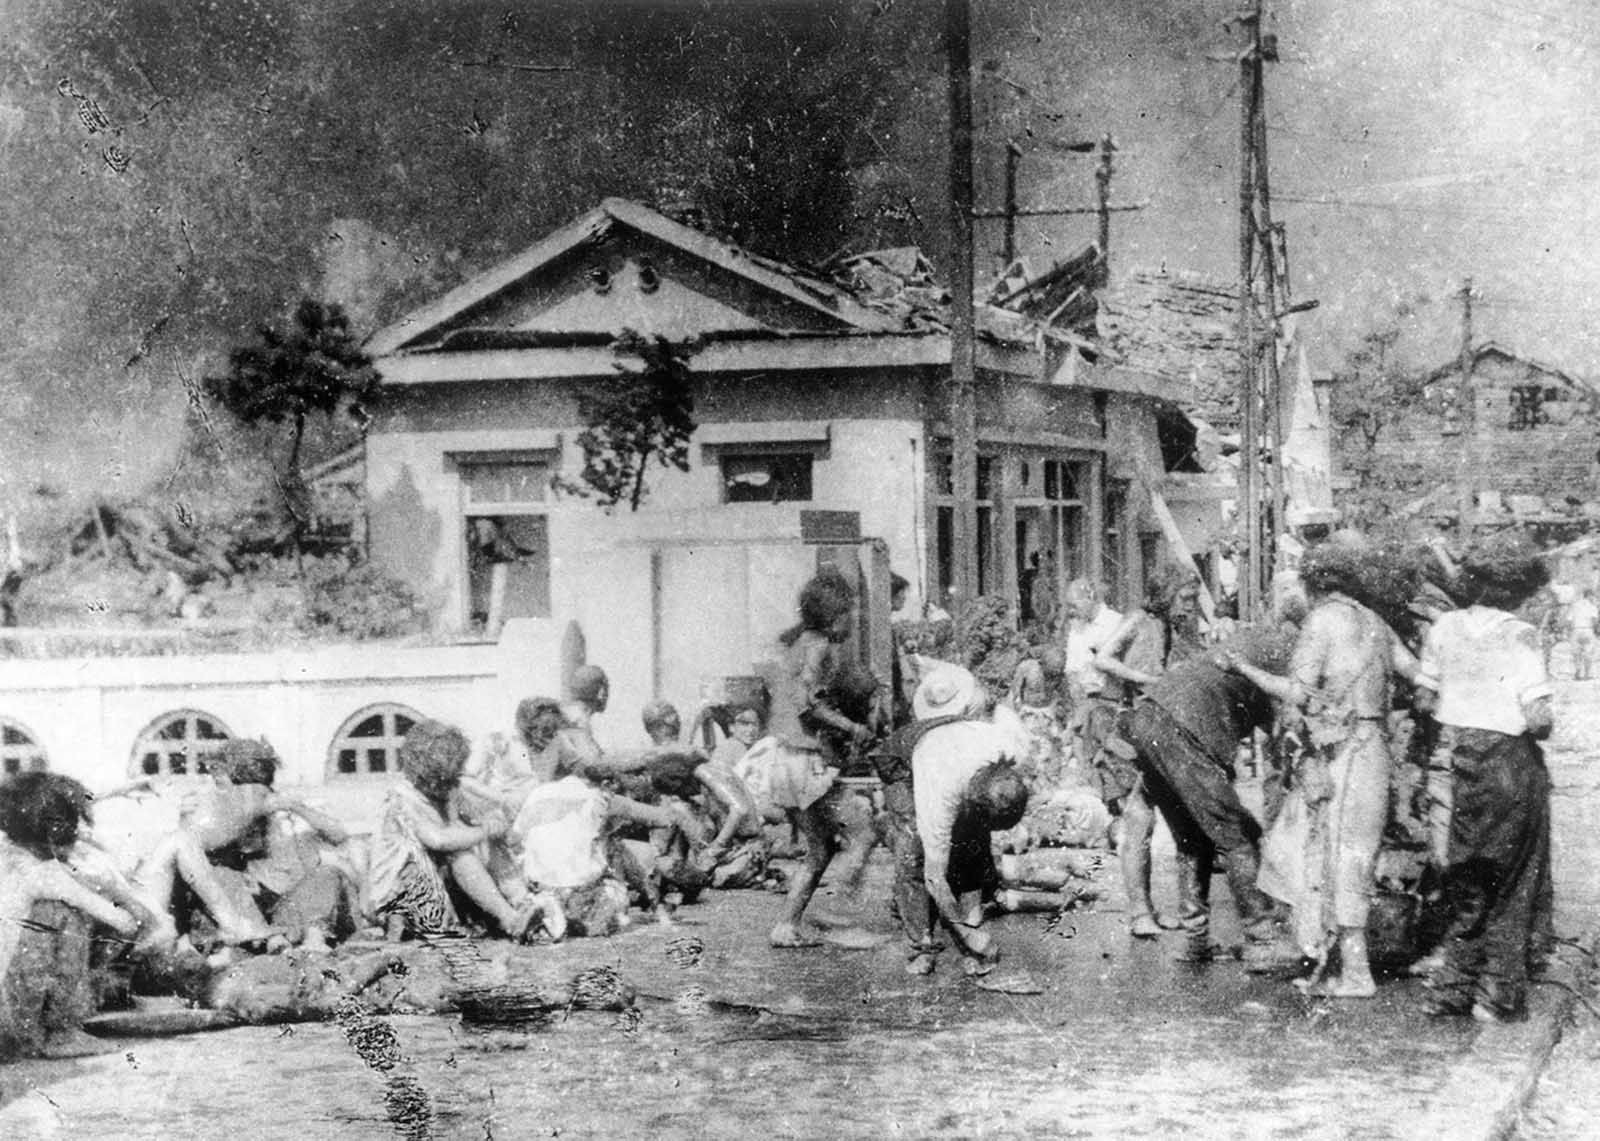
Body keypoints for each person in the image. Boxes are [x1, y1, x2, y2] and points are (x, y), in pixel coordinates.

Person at [1220, 542, 1402, 997]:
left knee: (1322, 853)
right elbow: (1418, 673)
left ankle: (1354, 972)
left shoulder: (1322, 620)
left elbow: (1296, 693)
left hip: (1343, 754)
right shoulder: (1376, 622)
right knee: (1355, 855)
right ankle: (1337, 959)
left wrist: (1243, 668)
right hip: (1376, 748)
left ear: (1313, 583)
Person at [1414, 534, 1554, 1023]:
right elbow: (1538, 718)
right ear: (1520, 586)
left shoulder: (1444, 628)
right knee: (1514, 882)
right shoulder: (1521, 633)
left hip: (1457, 758)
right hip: (1509, 762)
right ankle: (1496, 997)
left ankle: (1451, 989)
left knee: (1467, 881)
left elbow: (1425, 701)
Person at [1123, 622, 1301, 966]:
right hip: (1185, 729)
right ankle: (1262, 936)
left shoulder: (1255, 639)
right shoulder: (1291, 651)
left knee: (1192, 839)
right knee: (1237, 836)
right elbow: (1283, 728)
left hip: (1150, 718)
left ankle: (1195, 939)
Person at [1092, 565, 1206, 940]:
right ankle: (1140, 910)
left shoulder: (1178, 629)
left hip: (1166, 730)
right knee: (1139, 820)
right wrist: (1144, 679)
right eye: (1185, 599)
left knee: (1180, 821)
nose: (1190, 607)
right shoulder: (1138, 621)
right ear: (1167, 594)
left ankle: (1171, 910)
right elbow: (1103, 658)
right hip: (1130, 729)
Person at [767, 567, 879, 947]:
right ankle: (832, 910)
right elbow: (808, 705)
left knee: (823, 847)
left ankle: (790, 923)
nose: (854, 620)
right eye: (850, 613)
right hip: (803, 762)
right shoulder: (816, 647)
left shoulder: (802, 644)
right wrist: (852, 728)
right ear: (834, 618)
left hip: (789, 760)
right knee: (860, 831)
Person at [0, 773, 144, 1060]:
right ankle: (62, 1033)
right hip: (12, 1023)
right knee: (65, 913)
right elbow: (124, 923)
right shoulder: (48, 874)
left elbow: (28, 801)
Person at [367, 720, 544, 942]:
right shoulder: (402, 800)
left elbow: (480, 817)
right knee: (461, 854)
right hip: (399, 892)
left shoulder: (447, 790)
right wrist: (484, 831)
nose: (447, 785)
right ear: (424, 774)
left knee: (486, 842)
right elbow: (439, 840)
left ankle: (523, 902)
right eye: (442, 780)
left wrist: (493, 823)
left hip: (436, 882)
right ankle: (510, 920)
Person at [906, 665, 1031, 976]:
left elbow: (1000, 709)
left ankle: (970, 928)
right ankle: (924, 943)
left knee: (974, 846)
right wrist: (967, 934)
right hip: (909, 764)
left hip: (963, 755)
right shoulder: (939, 784)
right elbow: (935, 875)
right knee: (914, 855)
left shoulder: (1012, 747)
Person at [1061, 577, 1124, 777]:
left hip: (1110, 703)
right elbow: (1072, 668)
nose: (1071, 611)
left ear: (1090, 598)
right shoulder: (1076, 628)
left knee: (1109, 762)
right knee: (1081, 761)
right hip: (1083, 704)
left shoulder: (1114, 622)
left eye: (1074, 605)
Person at [1569, 587, 1597, 681]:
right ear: (1589, 596)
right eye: (1593, 596)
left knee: (1576, 653)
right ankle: (1587, 674)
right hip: (1588, 630)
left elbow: (1569, 619)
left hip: (1576, 630)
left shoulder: (1575, 605)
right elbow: (1595, 620)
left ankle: (1577, 673)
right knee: (1588, 652)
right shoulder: (1592, 606)